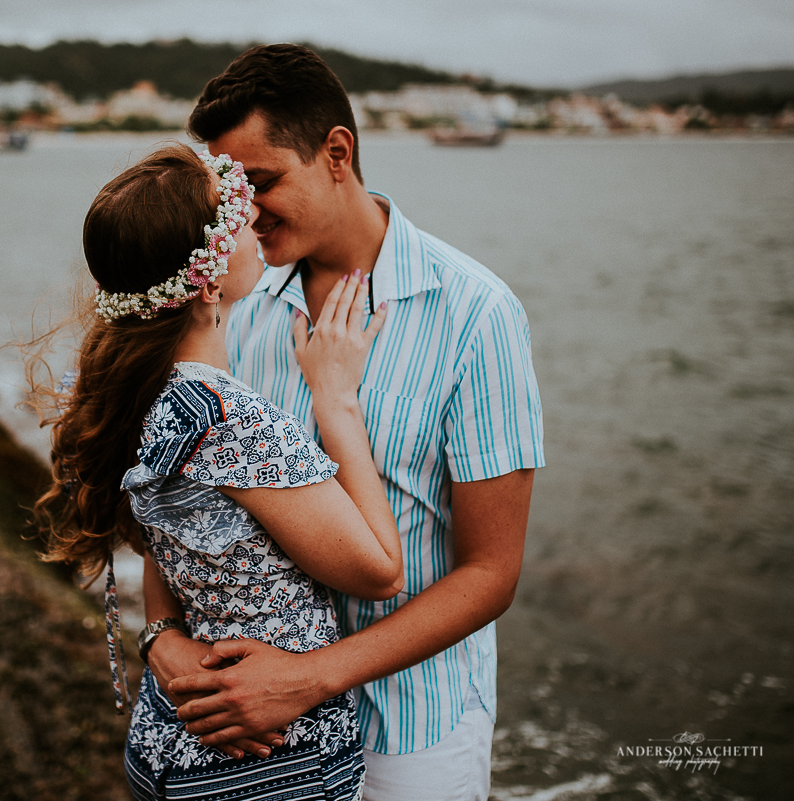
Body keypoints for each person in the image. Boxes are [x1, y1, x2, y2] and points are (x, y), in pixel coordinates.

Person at [141, 45, 546, 801]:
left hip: (412, 735)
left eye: (260, 183)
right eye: (230, 193)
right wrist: (161, 636)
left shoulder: (477, 315)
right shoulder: (235, 308)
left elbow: (491, 573)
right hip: (256, 739)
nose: (242, 214)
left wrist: (306, 678)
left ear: (336, 153)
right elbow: (187, 499)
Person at [34, 144, 409, 800]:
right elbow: (379, 571)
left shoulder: (140, 394)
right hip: (265, 763)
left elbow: (174, 545)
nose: (255, 210)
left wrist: (159, 635)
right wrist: (336, 401)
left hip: (169, 741)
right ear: (206, 280)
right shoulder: (228, 418)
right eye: (235, 208)